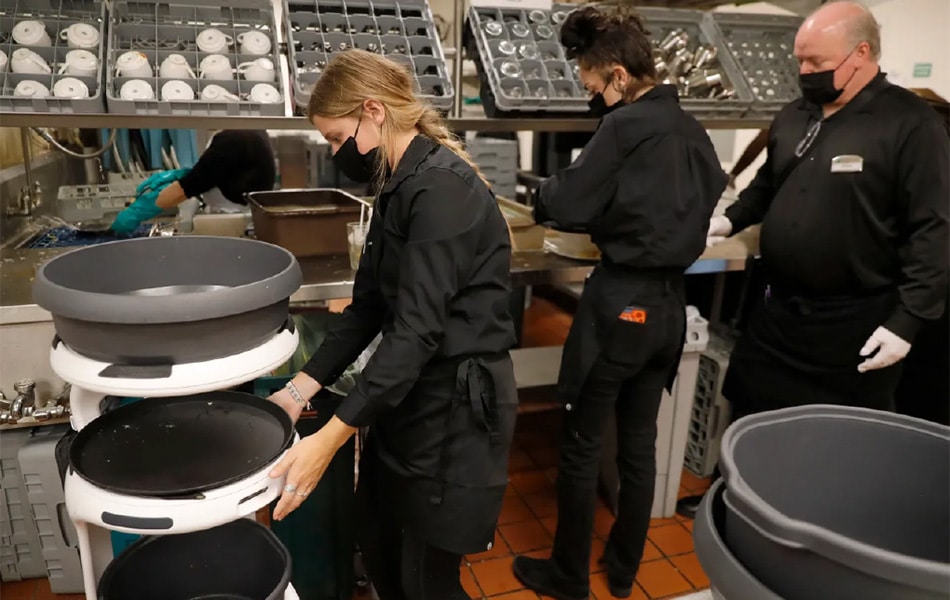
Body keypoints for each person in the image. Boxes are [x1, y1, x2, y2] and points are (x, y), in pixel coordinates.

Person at [264, 49, 519, 600]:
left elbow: (417, 332)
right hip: (410, 401)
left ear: (373, 111)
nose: (336, 152)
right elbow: (369, 310)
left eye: (336, 137)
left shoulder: (442, 191)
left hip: (454, 413)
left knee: (423, 578)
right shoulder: (398, 185)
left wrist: (327, 442)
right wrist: (295, 391)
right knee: (379, 544)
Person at [510, 7, 728, 600]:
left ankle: (568, 576)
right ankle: (626, 568)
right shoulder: (692, 129)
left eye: (590, 80)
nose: (589, 92)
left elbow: (571, 202)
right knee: (639, 445)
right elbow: (699, 198)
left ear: (617, 73)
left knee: (580, 442)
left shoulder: (625, 127)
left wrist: (545, 196)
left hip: (621, 302)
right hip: (668, 309)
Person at [706, 2, 949, 418]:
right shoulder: (794, 114)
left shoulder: (911, 124)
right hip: (774, 318)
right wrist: (727, 221)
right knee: (750, 423)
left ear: (861, 54)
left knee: (829, 446)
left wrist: (906, 323)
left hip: (852, 328)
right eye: (800, 60)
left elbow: (935, 228)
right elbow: (766, 185)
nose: (804, 72)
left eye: (816, 61)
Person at [110, 130, 275, 233]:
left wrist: (136, 212)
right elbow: (221, 171)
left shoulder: (232, 140)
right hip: (238, 214)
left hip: (232, 220)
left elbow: (187, 189)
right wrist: (184, 175)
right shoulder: (248, 131)